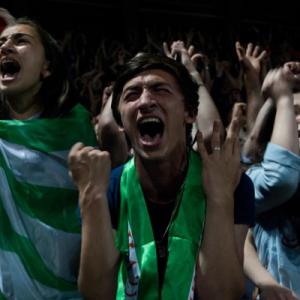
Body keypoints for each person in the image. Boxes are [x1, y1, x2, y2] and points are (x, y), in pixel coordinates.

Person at [68, 53, 255, 299]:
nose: (145, 101)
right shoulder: (109, 187)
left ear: (189, 113)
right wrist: (92, 198)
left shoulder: (231, 182)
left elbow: (221, 295)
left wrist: (220, 198)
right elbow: (97, 294)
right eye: (132, 95)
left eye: (160, 90)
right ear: (122, 121)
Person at [0, 17, 96, 299]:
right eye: (1, 42)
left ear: (47, 68)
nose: (5, 46)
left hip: (68, 289)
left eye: (20, 40)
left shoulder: (76, 129)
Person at [243, 62, 300, 299]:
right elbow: (245, 239)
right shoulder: (254, 177)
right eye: (293, 113)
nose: (297, 120)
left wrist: (281, 95)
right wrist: (267, 282)